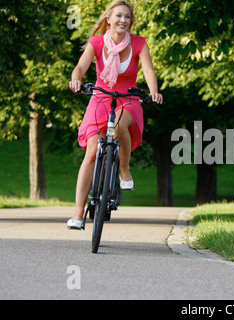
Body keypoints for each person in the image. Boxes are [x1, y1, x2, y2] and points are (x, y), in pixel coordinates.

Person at [67, 0, 162, 229]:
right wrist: (77, 78)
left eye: (127, 17)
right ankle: (79, 214)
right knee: (91, 152)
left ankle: (124, 169)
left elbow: (148, 69)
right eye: (118, 16)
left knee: (119, 126)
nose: (123, 21)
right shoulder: (97, 43)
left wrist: (154, 91)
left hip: (128, 97)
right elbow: (81, 66)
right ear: (108, 19)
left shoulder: (139, 44)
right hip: (100, 95)